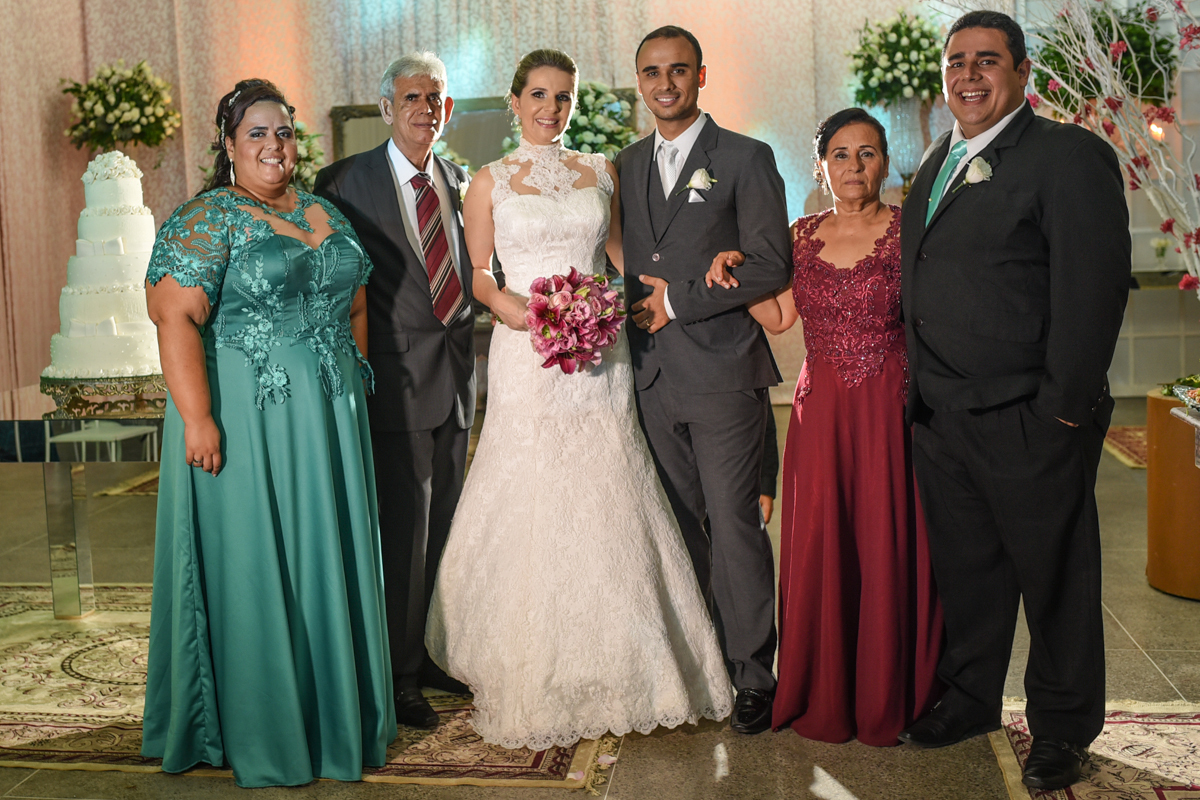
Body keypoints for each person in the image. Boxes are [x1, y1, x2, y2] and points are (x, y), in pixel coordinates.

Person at [425, 48, 732, 751]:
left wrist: (686, 277)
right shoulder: (489, 181)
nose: (550, 109)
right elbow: (477, 272)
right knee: (533, 490)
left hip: (601, 353)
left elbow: (624, 258)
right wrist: (514, 309)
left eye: (562, 97)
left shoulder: (600, 171)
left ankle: (633, 662)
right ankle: (531, 661)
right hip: (527, 351)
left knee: (608, 483)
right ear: (514, 101)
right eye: (538, 95)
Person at [896, 12, 1130, 791]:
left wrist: (1060, 412)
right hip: (943, 418)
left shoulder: (1068, 157)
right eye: (956, 61)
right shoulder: (938, 160)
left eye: (987, 60)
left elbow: (1093, 292)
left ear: (1023, 72)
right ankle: (970, 699)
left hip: (1030, 416)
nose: (969, 75)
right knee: (970, 575)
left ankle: (1062, 728)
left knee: (1055, 581)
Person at [141, 79, 395, 787]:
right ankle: (267, 725)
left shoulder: (323, 211)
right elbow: (174, 317)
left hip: (327, 422)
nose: (274, 145)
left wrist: (355, 377)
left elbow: (355, 300)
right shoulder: (207, 218)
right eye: (256, 133)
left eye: (283, 131)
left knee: (327, 554)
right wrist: (198, 419)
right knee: (259, 561)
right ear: (228, 145)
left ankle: (331, 714)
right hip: (249, 418)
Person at [706, 109, 944, 747]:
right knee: (823, 541)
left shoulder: (908, 230)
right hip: (821, 416)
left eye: (867, 153)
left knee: (886, 538)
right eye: (840, 154)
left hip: (889, 411)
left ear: (885, 162)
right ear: (820, 167)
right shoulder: (800, 234)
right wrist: (732, 273)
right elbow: (780, 316)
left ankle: (890, 688)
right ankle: (826, 687)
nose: (854, 166)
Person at [615, 25, 792, 735]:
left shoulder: (746, 157)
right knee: (679, 526)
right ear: (640, 81)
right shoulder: (625, 164)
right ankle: (702, 664)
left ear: (700, 75)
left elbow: (772, 263)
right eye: (652, 72)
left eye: (678, 70)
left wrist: (680, 300)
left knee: (735, 524)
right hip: (649, 376)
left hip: (721, 371)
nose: (665, 84)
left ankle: (753, 675)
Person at [315, 52, 475, 729]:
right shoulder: (343, 183)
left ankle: (432, 650)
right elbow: (330, 286)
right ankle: (399, 673)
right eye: (411, 97)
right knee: (404, 533)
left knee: (448, 529)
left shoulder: (461, 180)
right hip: (396, 381)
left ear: (447, 108)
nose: (424, 109)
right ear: (386, 108)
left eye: (434, 97)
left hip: (459, 378)